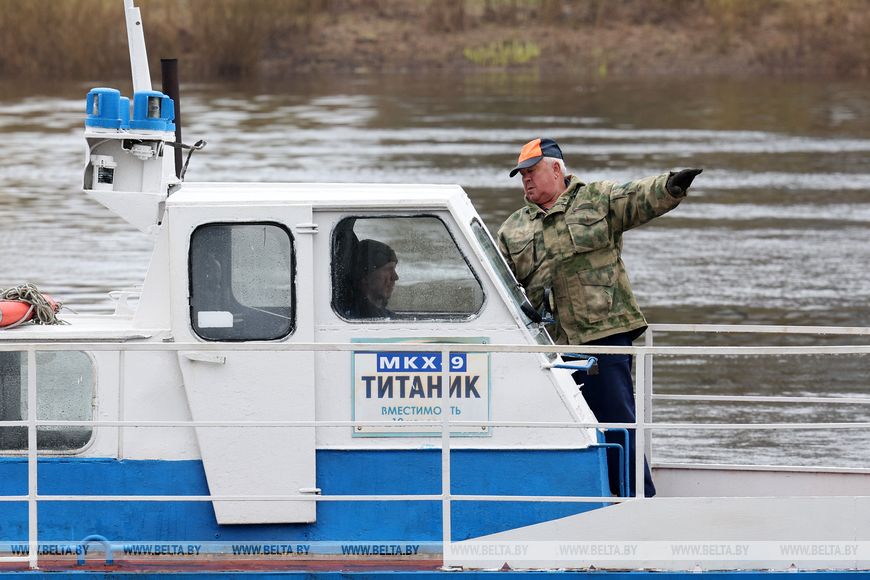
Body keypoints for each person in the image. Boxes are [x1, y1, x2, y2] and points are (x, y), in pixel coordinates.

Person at [497, 137, 702, 498]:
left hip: (604, 336)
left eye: (532, 172)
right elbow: (498, 286)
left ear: (556, 169)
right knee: (564, 431)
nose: (525, 180)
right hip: (551, 349)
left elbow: (637, 196)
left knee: (618, 426)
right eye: (521, 175)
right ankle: (589, 504)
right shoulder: (513, 228)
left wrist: (671, 185)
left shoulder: (597, 199)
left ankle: (637, 503)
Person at [348, 239, 399, 318]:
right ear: (365, 277)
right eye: (388, 269)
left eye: (394, 269)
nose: (395, 277)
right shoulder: (354, 319)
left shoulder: (383, 315)